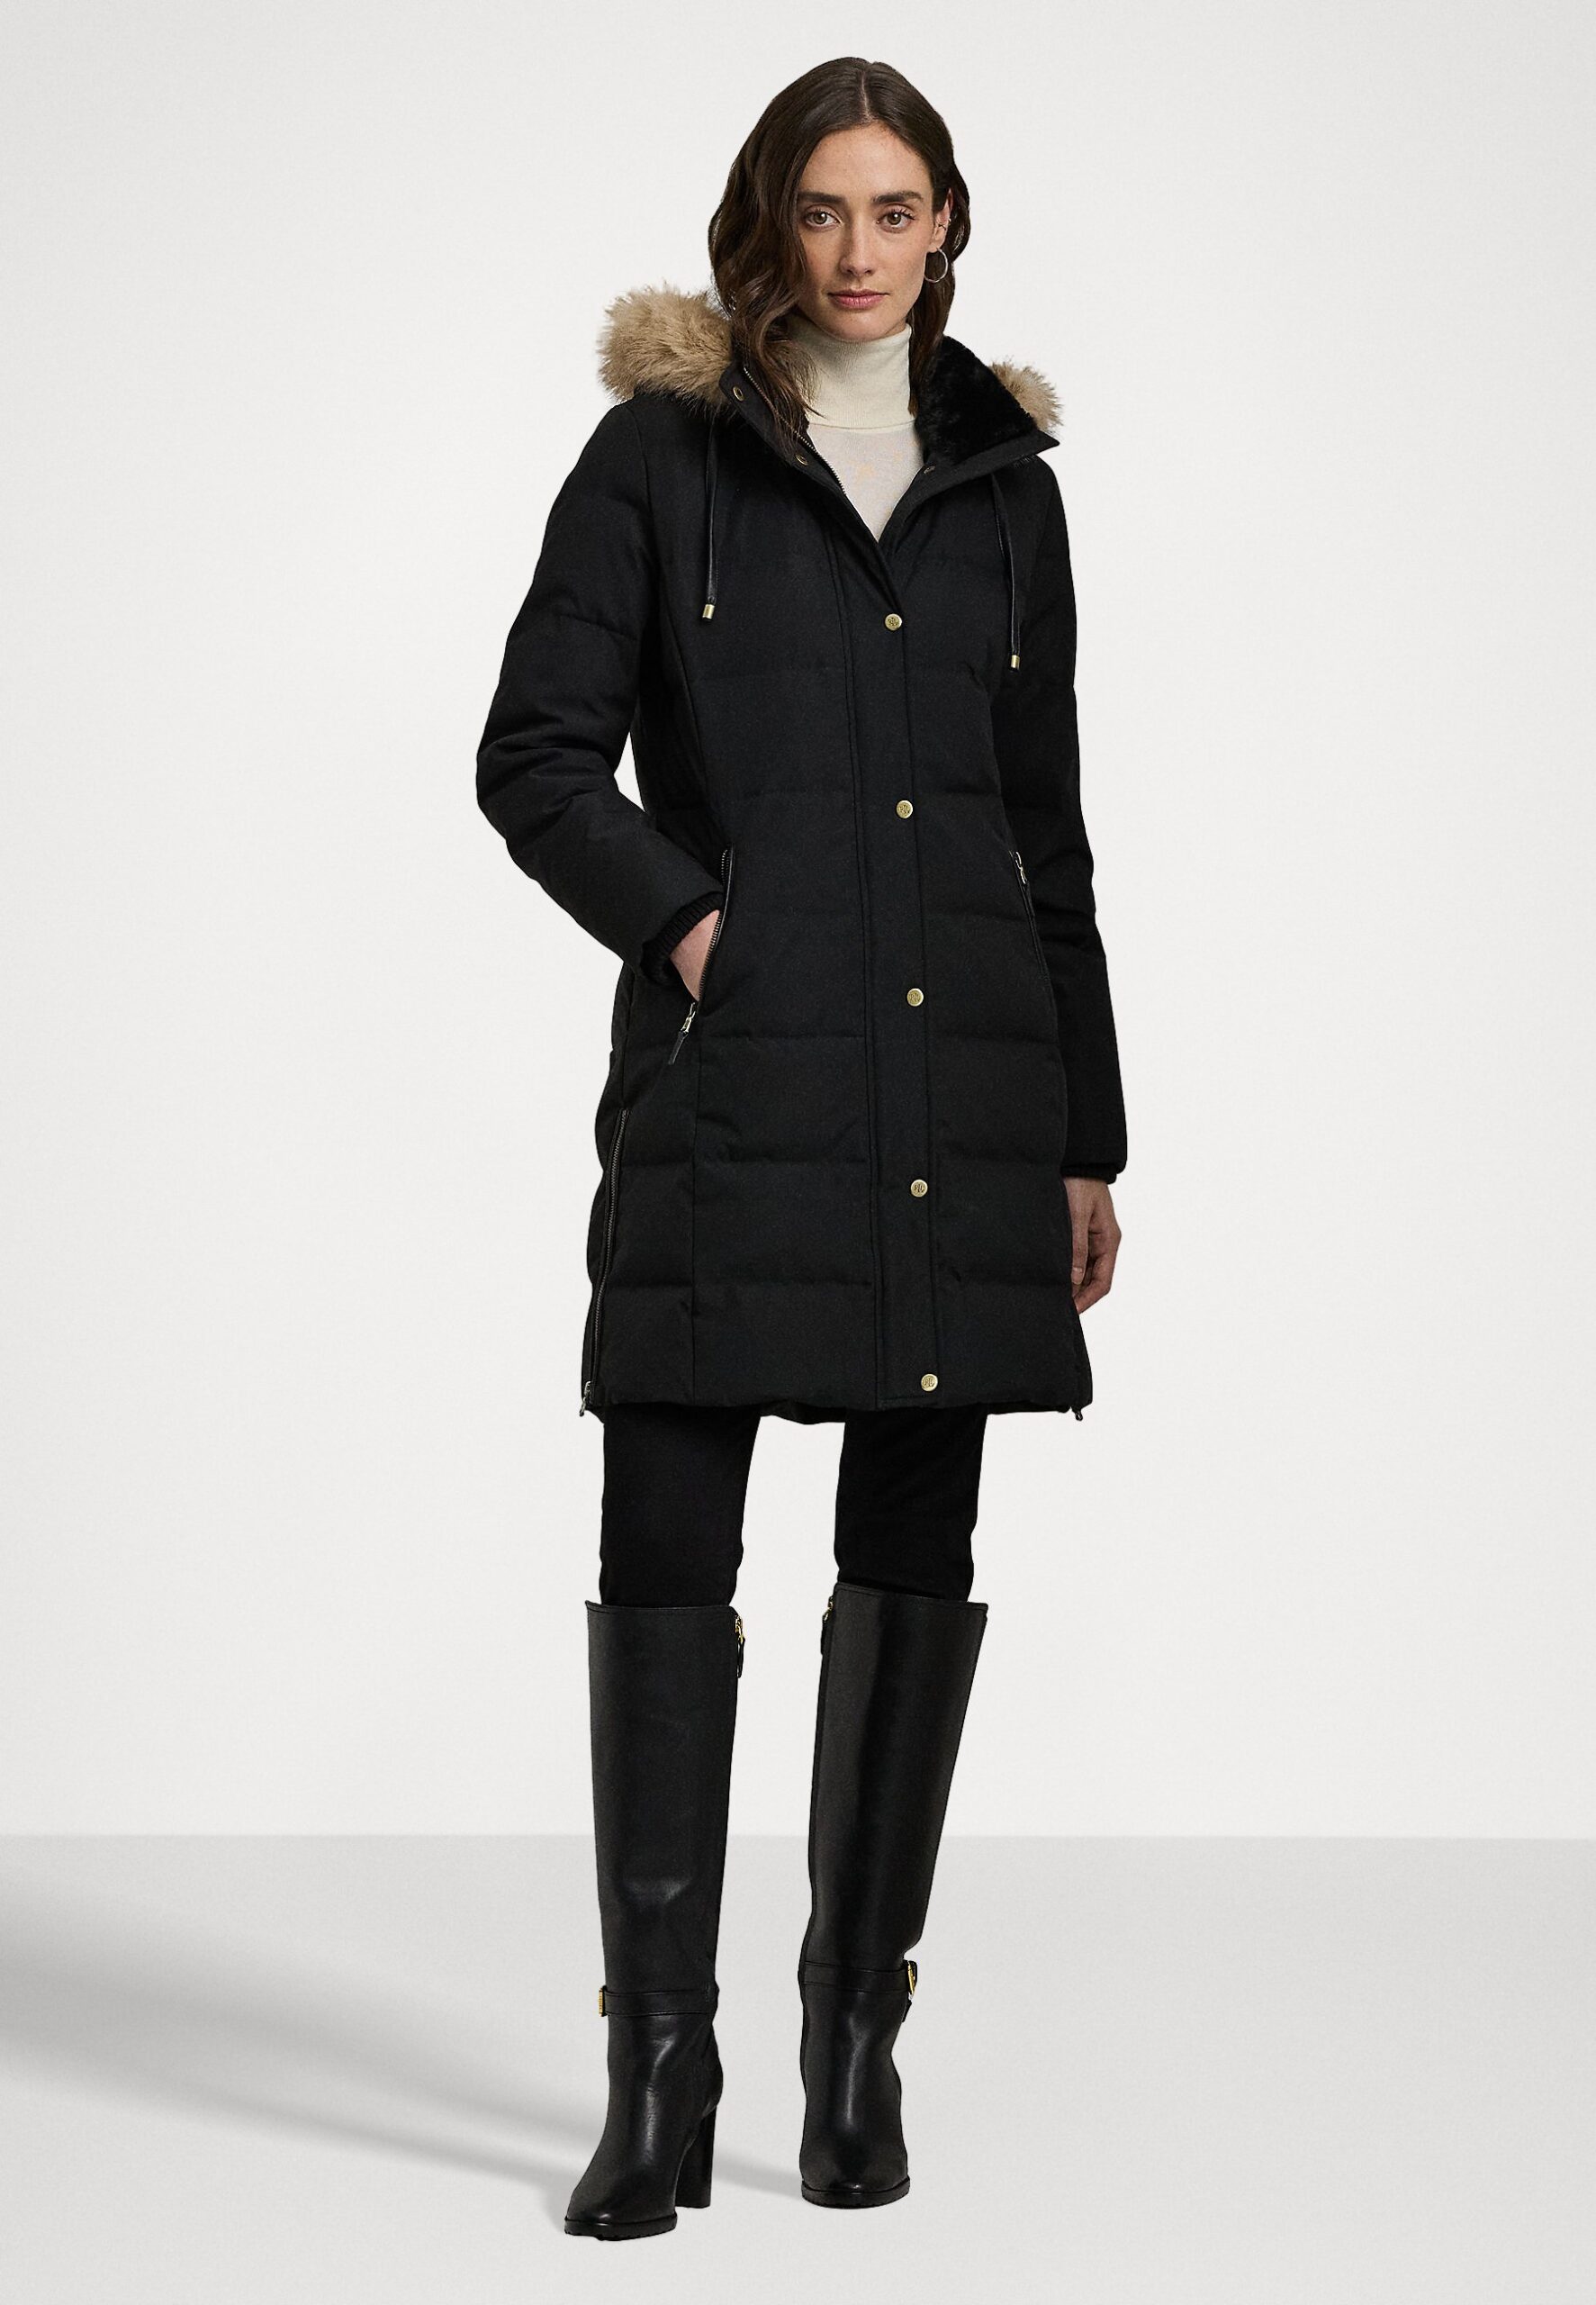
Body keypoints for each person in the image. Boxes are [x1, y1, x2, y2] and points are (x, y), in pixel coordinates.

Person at [474, 57, 1127, 2241]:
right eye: (822, 209)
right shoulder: (658, 456)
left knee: (911, 1539)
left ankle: (855, 2038)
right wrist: (698, 925)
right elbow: (533, 753)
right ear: (768, 220)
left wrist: (1085, 1137)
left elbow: (1045, 833)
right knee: (666, 1524)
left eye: (896, 209)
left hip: (962, 1095)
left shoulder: (1001, 486)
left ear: (947, 226)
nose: (859, 251)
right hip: (732, 1078)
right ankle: (656, 2063)